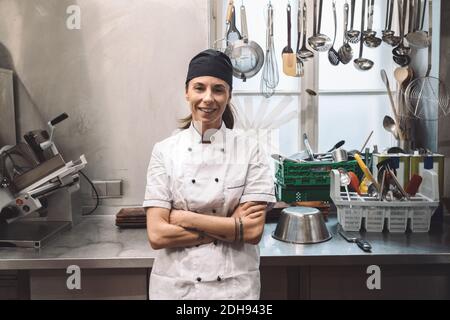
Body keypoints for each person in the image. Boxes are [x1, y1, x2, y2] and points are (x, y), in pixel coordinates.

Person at [143, 49, 276, 300]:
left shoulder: (250, 150)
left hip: (234, 290)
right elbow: (158, 235)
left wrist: (182, 217)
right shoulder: (164, 151)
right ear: (187, 92)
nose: (208, 98)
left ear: (229, 95)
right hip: (176, 287)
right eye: (199, 88)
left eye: (218, 89)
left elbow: (252, 232)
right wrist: (231, 226)